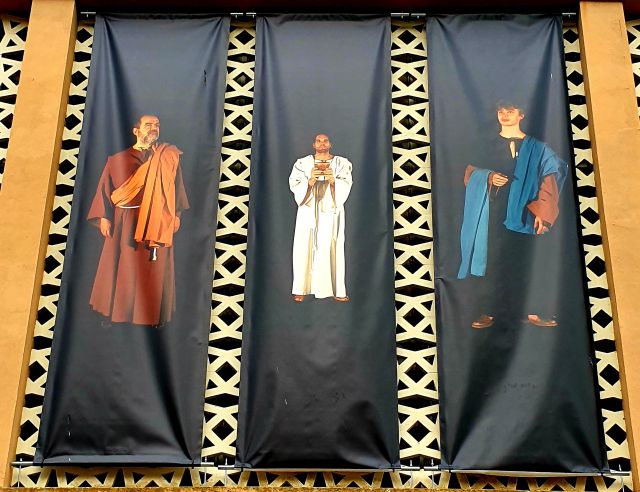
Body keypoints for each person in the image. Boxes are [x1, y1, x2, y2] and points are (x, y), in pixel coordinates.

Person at [457, 102, 568, 328]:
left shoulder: (538, 148)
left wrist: (543, 211)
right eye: (501, 111)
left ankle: (533, 310)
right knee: (491, 260)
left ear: (521, 115)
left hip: (526, 213)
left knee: (526, 260)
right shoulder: (485, 144)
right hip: (491, 213)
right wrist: (488, 177)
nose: (505, 115)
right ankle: (488, 311)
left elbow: (550, 178)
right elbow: (470, 173)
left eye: (510, 111)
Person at [87, 114, 189, 326]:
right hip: (125, 222)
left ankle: (151, 317)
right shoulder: (117, 159)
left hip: (158, 221)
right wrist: (104, 216)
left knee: (153, 270)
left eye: (157, 125)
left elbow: (176, 187)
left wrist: (177, 215)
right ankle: (118, 315)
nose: (154, 128)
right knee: (123, 267)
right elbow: (105, 188)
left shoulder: (168, 157)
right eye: (148, 125)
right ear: (136, 131)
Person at [289, 134, 353, 302]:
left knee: (331, 244)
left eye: (325, 141)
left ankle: (337, 289)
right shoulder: (302, 164)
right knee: (304, 245)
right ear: (314, 144)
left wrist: (333, 181)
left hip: (330, 208)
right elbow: (295, 183)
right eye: (319, 141)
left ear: (330, 144)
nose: (322, 143)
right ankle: (300, 288)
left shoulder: (341, 163)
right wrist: (310, 182)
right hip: (308, 208)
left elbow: (346, 183)